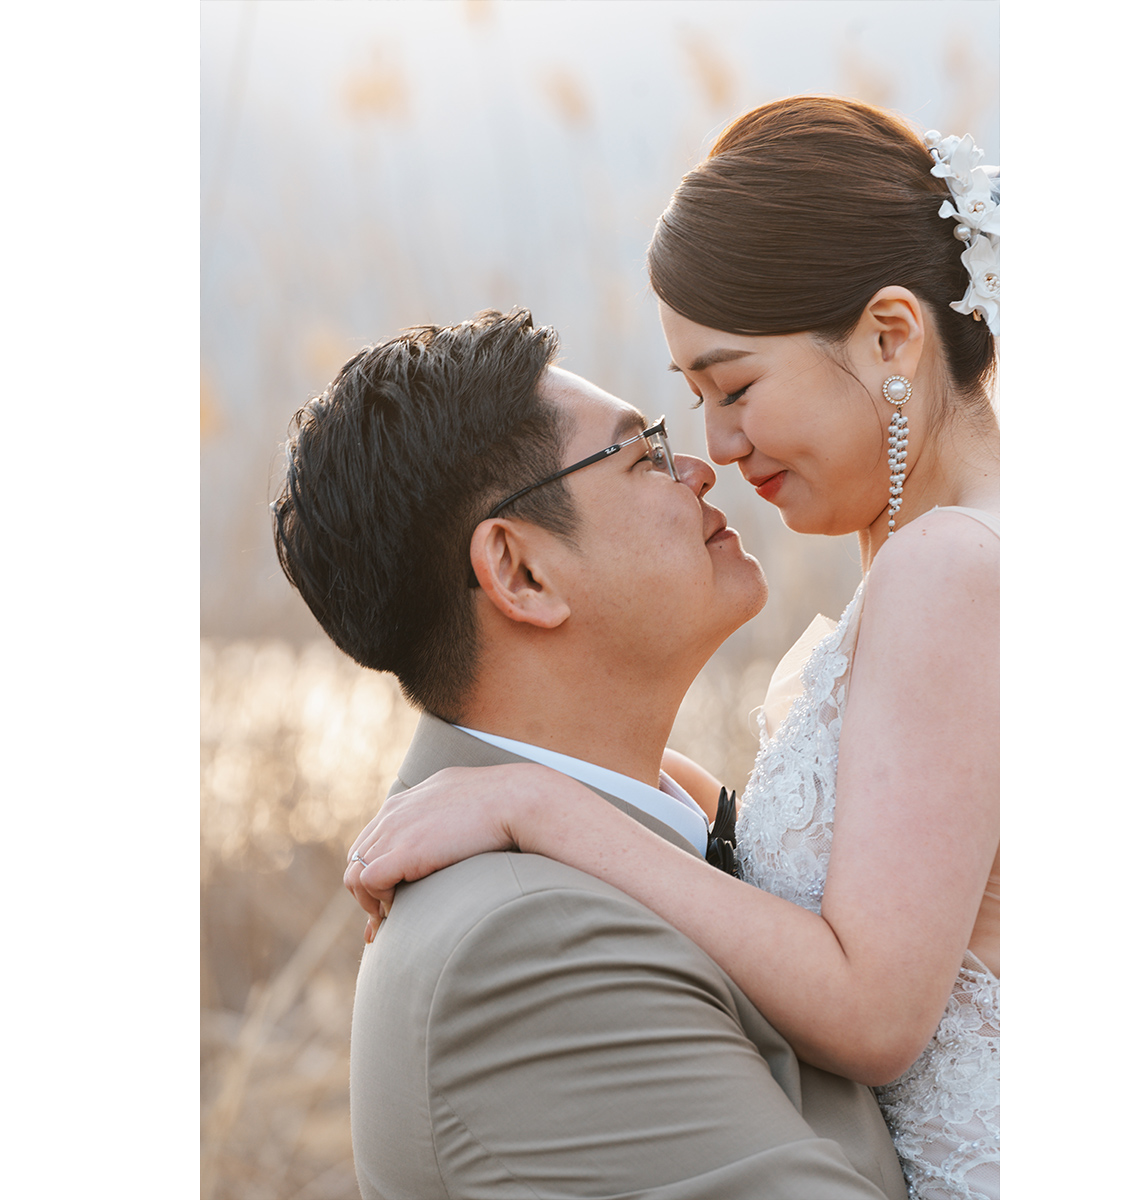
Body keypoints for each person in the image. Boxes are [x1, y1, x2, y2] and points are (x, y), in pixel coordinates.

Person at [344, 96, 1000, 1200]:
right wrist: (677, 803)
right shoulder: (948, 550)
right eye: (688, 402)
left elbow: (879, 1018)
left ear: (892, 336)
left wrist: (543, 806)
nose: (719, 450)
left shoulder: (947, 570)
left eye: (734, 388)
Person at [273, 308, 910, 1199]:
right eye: (644, 452)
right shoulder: (525, 947)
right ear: (522, 573)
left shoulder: (628, 816)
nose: (702, 466)